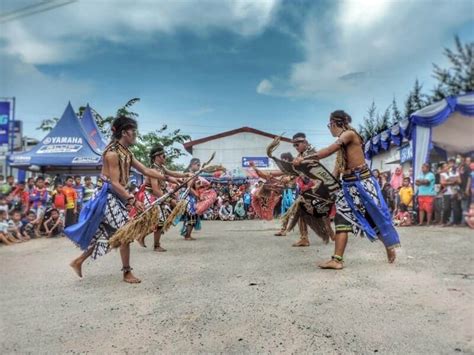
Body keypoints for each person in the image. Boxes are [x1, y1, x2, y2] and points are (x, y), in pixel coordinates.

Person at [67, 115, 169, 284]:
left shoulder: (126, 153)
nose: (135, 134)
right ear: (124, 133)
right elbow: (114, 183)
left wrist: (171, 178)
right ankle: (126, 273)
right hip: (106, 197)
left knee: (109, 235)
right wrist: (132, 200)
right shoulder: (113, 153)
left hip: (115, 196)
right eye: (133, 131)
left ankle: (78, 261)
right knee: (126, 232)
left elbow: (145, 170)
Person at [305, 110, 400, 269]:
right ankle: (337, 260)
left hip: (362, 184)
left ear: (335, 123)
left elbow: (327, 151)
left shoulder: (348, 135)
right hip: (348, 187)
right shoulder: (342, 148)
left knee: (372, 218)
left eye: (329, 125)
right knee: (341, 218)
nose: (330, 128)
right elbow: (335, 173)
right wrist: (321, 187)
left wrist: (305, 158)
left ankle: (389, 246)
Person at [136, 143, 189, 252]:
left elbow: (172, 173)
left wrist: (186, 175)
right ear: (157, 156)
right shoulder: (153, 171)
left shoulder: (161, 168)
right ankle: (155, 245)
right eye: (164, 156)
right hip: (151, 196)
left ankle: (142, 237)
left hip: (158, 195)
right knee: (160, 220)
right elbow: (155, 190)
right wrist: (170, 200)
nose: (165, 157)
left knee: (161, 220)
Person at [440, 161, 462, 226]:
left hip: (454, 192)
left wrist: (449, 181)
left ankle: (455, 222)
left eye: (447, 166)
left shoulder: (453, 172)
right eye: (445, 167)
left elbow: (459, 181)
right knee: (446, 208)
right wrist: (451, 182)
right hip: (446, 192)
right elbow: (442, 183)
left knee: (455, 208)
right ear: (443, 168)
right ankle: (444, 222)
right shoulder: (442, 174)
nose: (447, 167)